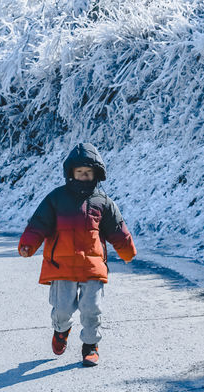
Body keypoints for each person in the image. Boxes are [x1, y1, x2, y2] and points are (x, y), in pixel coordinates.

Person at [17, 141, 136, 367]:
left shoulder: (103, 202)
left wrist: (127, 251)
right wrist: (28, 244)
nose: (83, 176)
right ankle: (61, 331)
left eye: (88, 172)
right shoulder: (56, 198)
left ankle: (90, 346)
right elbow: (38, 224)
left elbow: (117, 229)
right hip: (62, 265)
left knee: (92, 308)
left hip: (93, 265)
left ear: (96, 175)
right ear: (71, 173)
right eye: (79, 172)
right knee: (62, 309)